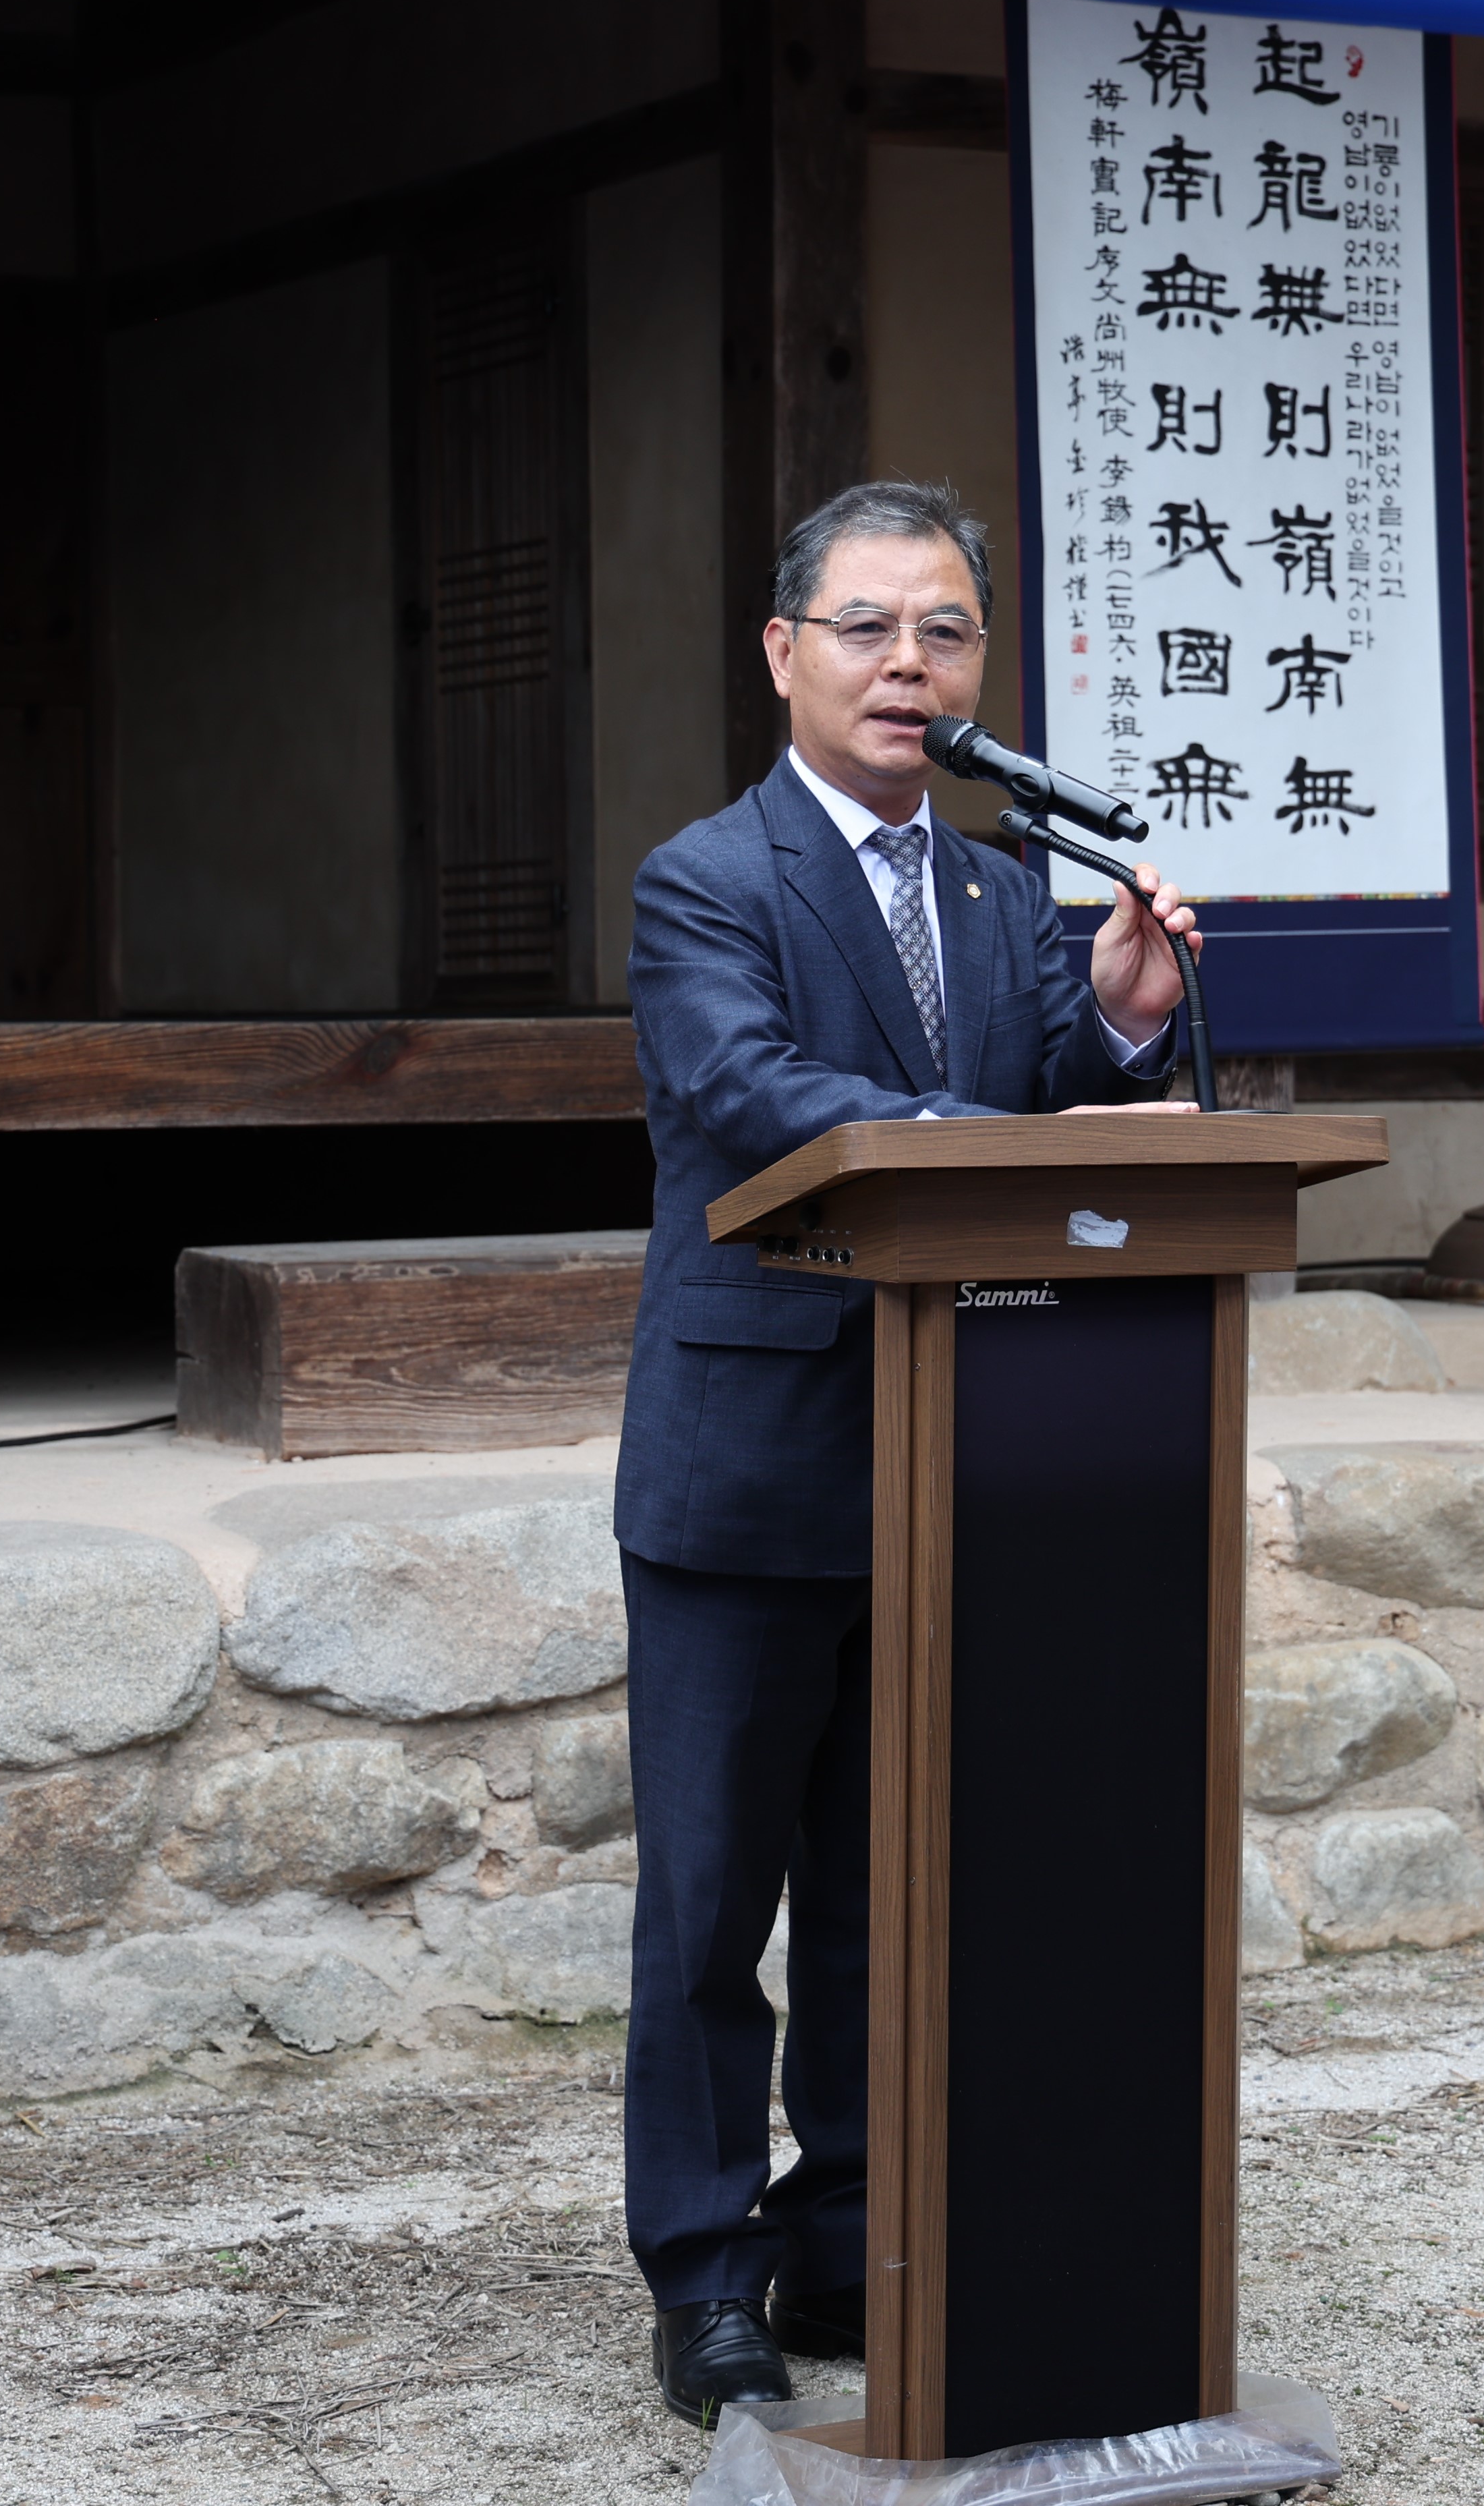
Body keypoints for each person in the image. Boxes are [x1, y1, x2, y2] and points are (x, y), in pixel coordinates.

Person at [612, 478, 1201, 2422]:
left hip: (964, 1459)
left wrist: (1120, 1022)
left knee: (889, 1891)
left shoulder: (1000, 896)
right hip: (749, 1461)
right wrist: (973, 1132)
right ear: (784, 654)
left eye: (942, 633)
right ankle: (703, 2277)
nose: (907, 664)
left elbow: (1059, 1088)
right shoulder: (706, 880)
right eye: (866, 627)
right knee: (713, 1906)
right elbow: (751, 1092)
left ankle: (846, 2235)